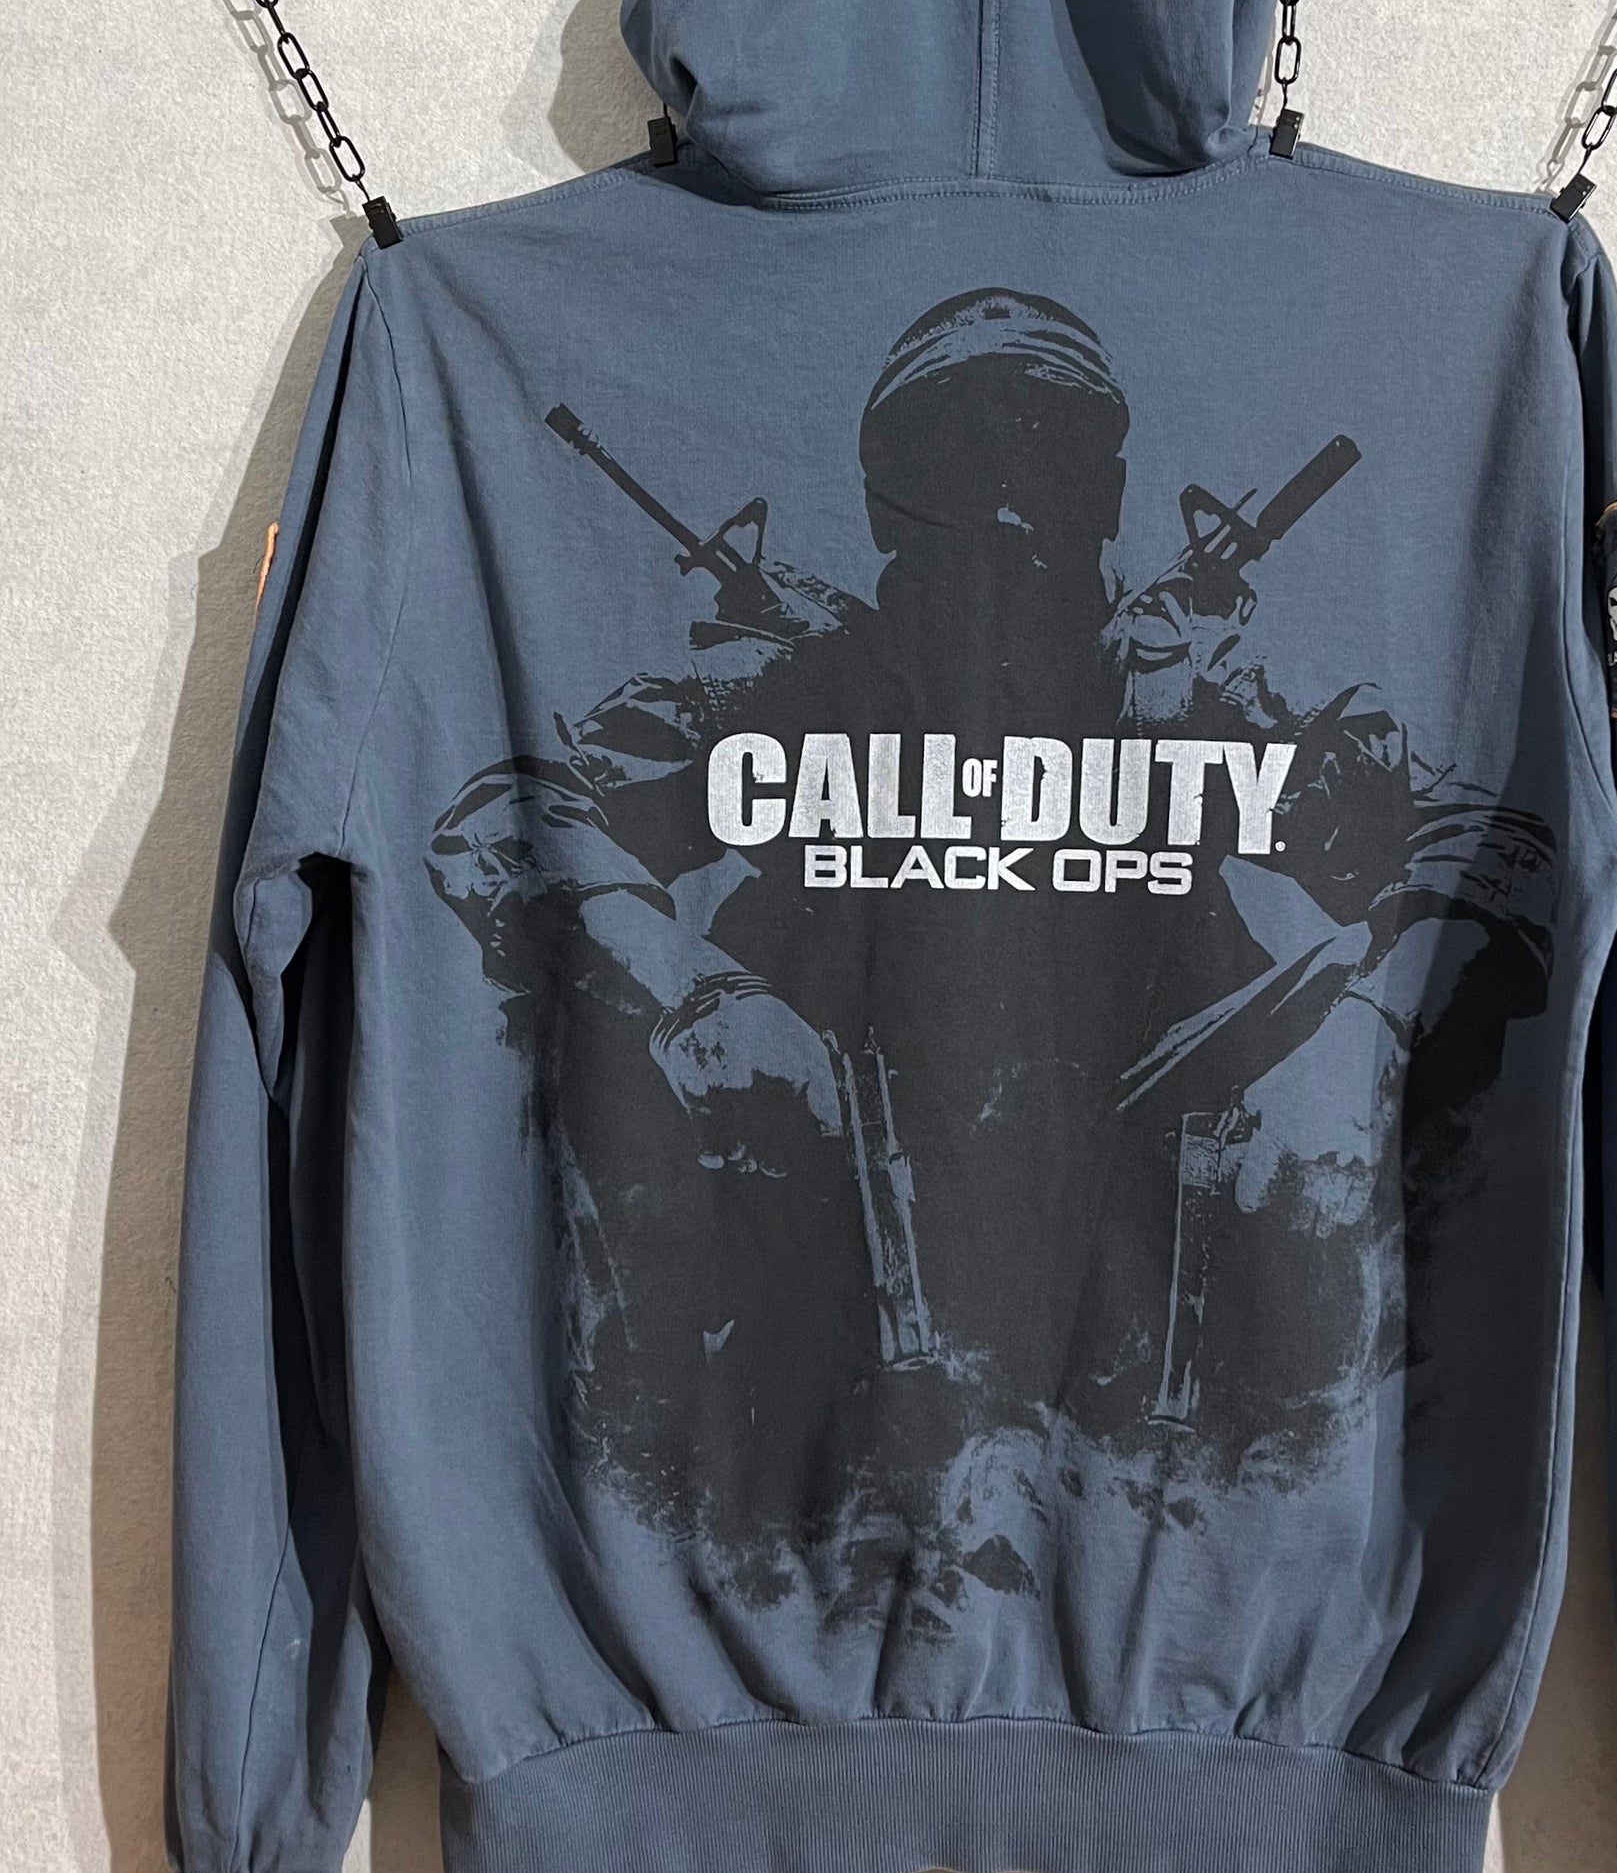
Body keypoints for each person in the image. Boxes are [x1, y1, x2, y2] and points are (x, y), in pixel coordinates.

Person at [429, 288, 1555, 1531]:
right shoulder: (801, 686)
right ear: (883, 503)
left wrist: (1370, 1032)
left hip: (1170, 1335)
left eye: (1051, 461)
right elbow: (503, 818)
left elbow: (1495, 849)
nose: (1011, 508)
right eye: (959, 465)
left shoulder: (1186, 690)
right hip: (823, 1315)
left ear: (1109, 490)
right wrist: (693, 992)